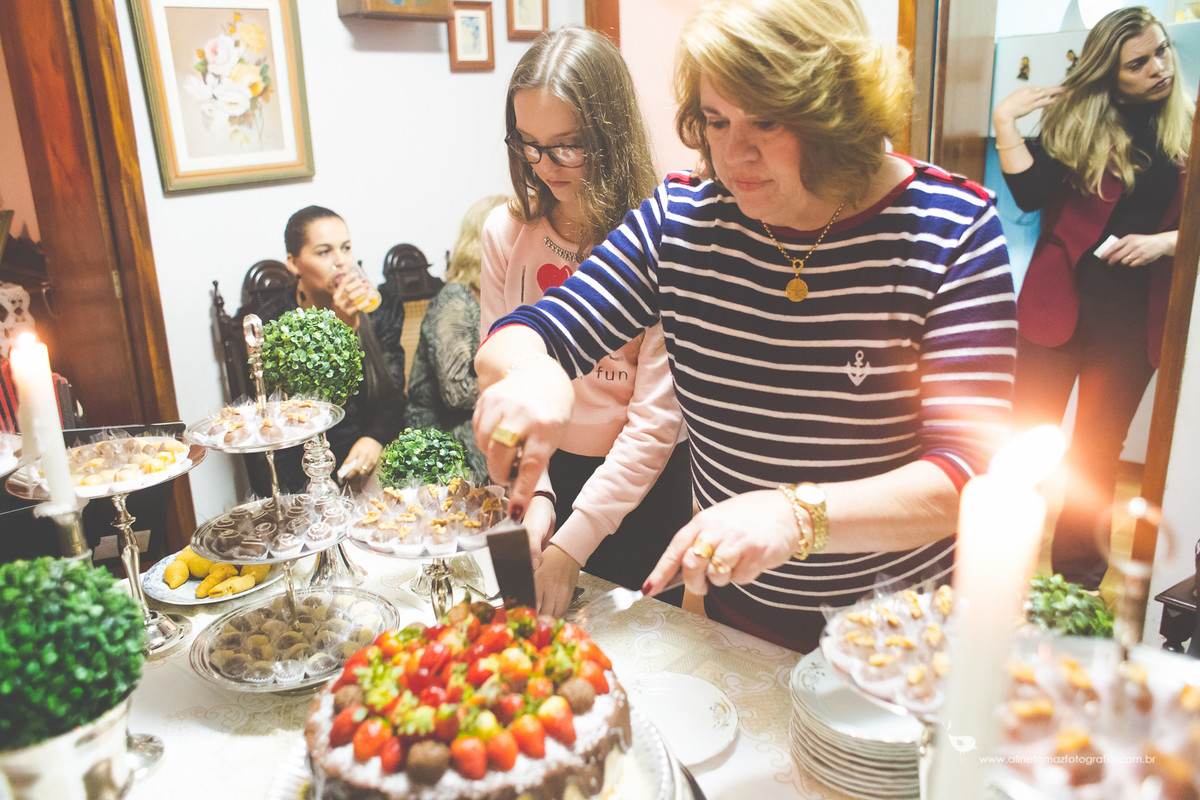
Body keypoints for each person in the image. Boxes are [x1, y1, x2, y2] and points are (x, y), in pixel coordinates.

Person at [473, 0, 1017, 652]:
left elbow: (968, 473)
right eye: (716, 120)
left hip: (897, 641)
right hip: (738, 621)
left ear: (839, 108)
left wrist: (798, 516)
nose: (734, 154)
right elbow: (532, 328)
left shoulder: (950, 230)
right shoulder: (682, 220)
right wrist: (532, 371)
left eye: (767, 120)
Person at [480, 25, 693, 617]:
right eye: (527, 144)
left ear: (610, 135)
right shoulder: (506, 232)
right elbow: (503, 376)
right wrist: (535, 492)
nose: (544, 165)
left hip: (641, 486)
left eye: (566, 146)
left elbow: (653, 426)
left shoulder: (659, 237)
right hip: (544, 473)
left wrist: (572, 545)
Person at [994, 7, 1191, 590]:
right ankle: (996, 561)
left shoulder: (1188, 129)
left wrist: (1167, 243)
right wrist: (1005, 122)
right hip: (1056, 305)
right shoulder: (1080, 122)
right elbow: (1029, 195)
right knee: (1025, 438)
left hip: (1133, 319)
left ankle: (1076, 583)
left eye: (1162, 52)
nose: (1159, 68)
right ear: (1110, 74)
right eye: (1139, 63)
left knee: (1097, 453)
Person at [246, 205, 407, 494]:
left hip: (366, 447)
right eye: (324, 252)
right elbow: (285, 414)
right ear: (294, 262)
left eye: (346, 248)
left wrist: (375, 438)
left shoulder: (379, 311)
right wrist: (340, 332)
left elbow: (392, 394)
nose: (341, 261)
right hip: (300, 460)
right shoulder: (274, 324)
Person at [407, 195, 508, 480]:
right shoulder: (457, 299)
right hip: (444, 436)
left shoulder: (501, 294)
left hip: (486, 418)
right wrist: (522, 385)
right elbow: (457, 392)